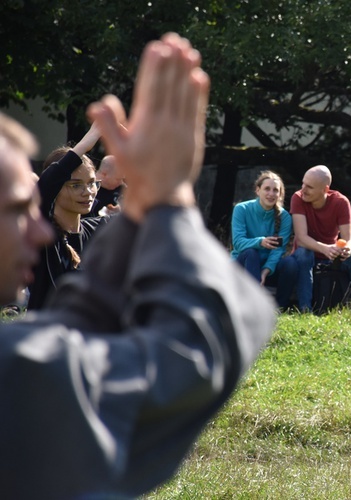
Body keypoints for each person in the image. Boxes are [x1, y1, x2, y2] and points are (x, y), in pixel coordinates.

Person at [0, 33, 275, 497]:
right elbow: (189, 353)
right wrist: (169, 201)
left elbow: (73, 332)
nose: (41, 231)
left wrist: (146, 200)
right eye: (12, 211)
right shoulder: (16, 380)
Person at [27, 125, 109, 310]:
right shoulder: (44, 234)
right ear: (57, 188)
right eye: (75, 185)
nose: (87, 192)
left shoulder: (99, 229)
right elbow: (43, 190)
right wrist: (86, 143)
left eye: (91, 183)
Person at [282, 164, 351, 312]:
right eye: (303, 183)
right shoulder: (298, 198)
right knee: (304, 254)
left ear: (325, 189)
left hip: (331, 255)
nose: (303, 189)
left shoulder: (341, 202)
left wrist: (347, 249)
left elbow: (349, 240)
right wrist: (325, 248)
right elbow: (301, 238)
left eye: (309, 187)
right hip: (307, 252)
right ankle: (305, 309)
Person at [231, 170, 296, 307]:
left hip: (267, 269)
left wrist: (265, 271)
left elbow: (279, 250)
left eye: (275, 190)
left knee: (291, 263)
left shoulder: (284, 217)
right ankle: (253, 305)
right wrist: (260, 242)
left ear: (280, 194)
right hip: (243, 265)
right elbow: (238, 243)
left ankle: (280, 307)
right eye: (267, 189)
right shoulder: (241, 209)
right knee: (251, 252)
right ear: (257, 190)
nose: (271, 194)